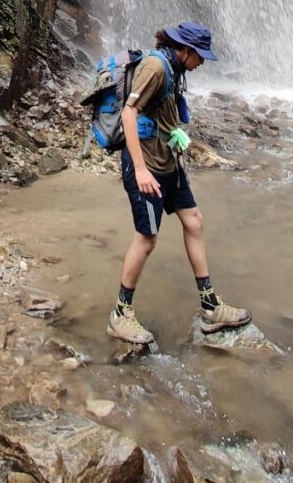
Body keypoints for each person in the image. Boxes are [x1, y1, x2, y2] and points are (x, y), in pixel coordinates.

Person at [107, 21, 250, 345]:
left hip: (168, 160)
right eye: (200, 56)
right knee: (147, 238)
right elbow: (128, 114)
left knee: (194, 221)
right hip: (146, 165)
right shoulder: (156, 67)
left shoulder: (175, 68)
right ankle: (120, 314)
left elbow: (163, 114)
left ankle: (210, 305)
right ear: (186, 50)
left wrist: (176, 140)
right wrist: (140, 171)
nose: (202, 63)